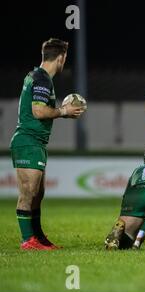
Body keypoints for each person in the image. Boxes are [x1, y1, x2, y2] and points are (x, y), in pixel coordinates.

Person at [10, 38, 86, 250]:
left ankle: (39, 238)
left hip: (36, 142)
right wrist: (64, 111)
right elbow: (39, 111)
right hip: (28, 141)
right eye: (65, 59)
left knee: (37, 193)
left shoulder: (36, 75)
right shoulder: (42, 78)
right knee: (28, 193)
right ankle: (28, 241)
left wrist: (63, 112)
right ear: (61, 58)